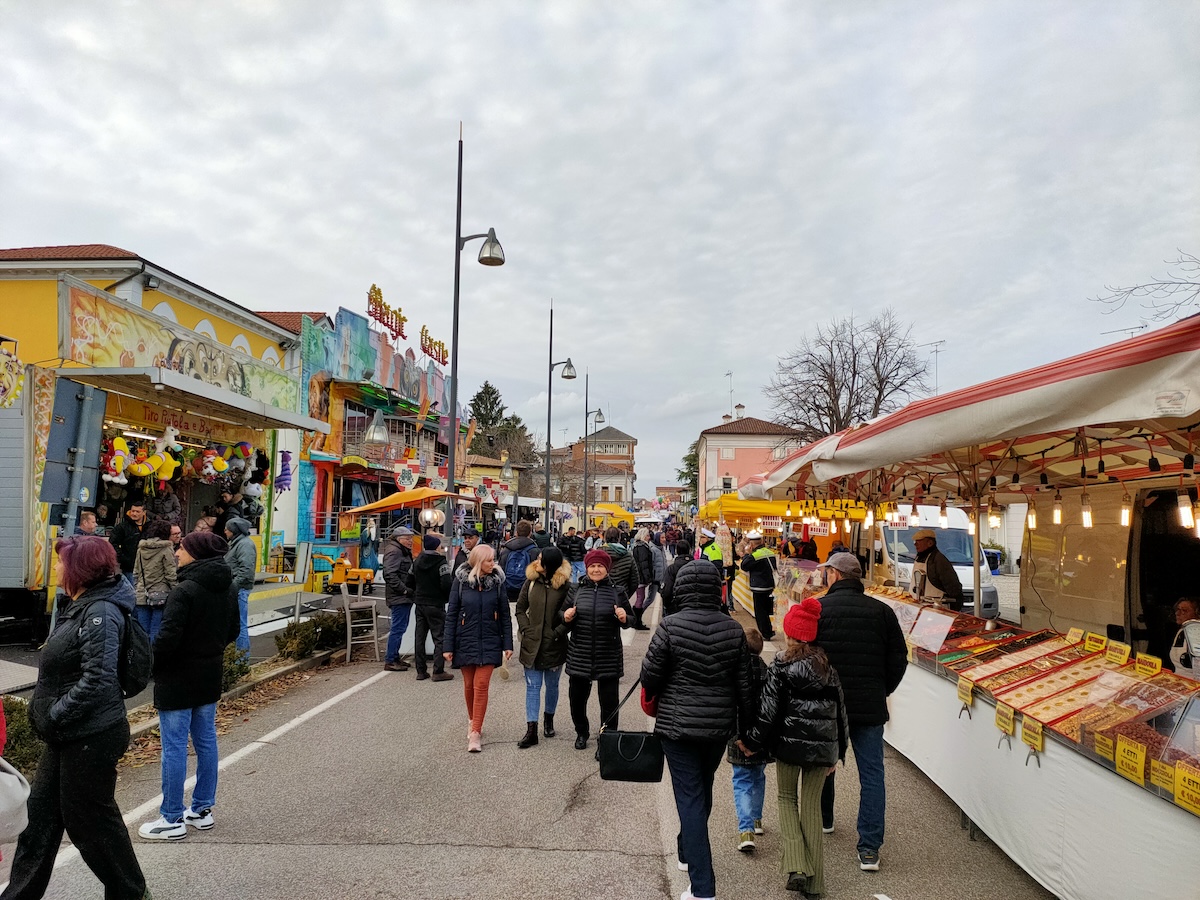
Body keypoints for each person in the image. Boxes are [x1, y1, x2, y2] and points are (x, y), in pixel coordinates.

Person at [5, 537, 149, 900]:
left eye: (60, 564)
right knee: (39, 822)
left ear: (79, 569)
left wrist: (54, 715)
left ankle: (131, 892)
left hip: (92, 734)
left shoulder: (101, 611)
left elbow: (98, 681)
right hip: (70, 734)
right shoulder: (81, 605)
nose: (56, 569)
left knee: (90, 822)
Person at [640, 559, 754, 900]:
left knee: (689, 798)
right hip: (718, 727)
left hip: (677, 727)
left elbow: (650, 677)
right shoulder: (733, 629)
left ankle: (702, 886)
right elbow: (746, 687)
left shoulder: (671, 626)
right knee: (702, 790)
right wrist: (747, 732)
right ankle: (688, 851)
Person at [137, 532, 239, 842]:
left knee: (174, 747)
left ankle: (171, 818)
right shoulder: (229, 586)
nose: (178, 552)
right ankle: (202, 810)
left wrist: (150, 664)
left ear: (195, 553)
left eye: (182, 548)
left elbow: (167, 640)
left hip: (178, 679)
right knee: (206, 740)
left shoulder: (184, 591)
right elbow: (233, 630)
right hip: (209, 674)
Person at [744, 598, 849, 897]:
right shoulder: (828, 667)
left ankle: (797, 866)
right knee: (811, 808)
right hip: (821, 751)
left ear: (789, 634)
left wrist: (752, 742)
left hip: (788, 746)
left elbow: (768, 711)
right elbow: (841, 712)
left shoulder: (780, 665)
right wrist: (838, 753)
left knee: (786, 798)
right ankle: (816, 885)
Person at [813, 553, 907, 873]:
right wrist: (883, 690)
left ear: (836, 576)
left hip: (827, 705)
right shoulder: (882, 612)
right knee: (872, 775)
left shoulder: (819, 610)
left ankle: (825, 819)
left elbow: (807, 657)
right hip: (869, 705)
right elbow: (899, 658)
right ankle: (869, 847)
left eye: (827, 573)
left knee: (824, 762)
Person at [443, 544, 513, 752]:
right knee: (468, 685)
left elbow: (505, 615)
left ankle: (475, 732)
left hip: (491, 640)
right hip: (465, 639)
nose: (494, 563)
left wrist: (507, 643)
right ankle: (473, 718)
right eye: (489, 560)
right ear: (478, 562)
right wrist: (448, 646)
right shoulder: (460, 582)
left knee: (481, 684)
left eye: (493, 559)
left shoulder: (498, 584)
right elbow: (452, 613)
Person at [563, 548, 633, 750]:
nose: (595, 570)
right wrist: (565, 616)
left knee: (609, 702)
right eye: (592, 566)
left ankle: (607, 738)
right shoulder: (576, 590)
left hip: (608, 654)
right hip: (580, 654)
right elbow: (562, 616)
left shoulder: (617, 591)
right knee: (577, 700)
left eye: (600, 566)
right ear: (586, 568)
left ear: (607, 568)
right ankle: (581, 732)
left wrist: (624, 617)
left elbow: (631, 620)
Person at [515, 546, 572, 748]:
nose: (536, 562)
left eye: (540, 560)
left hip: (554, 644)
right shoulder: (530, 582)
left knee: (552, 685)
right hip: (531, 643)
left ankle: (549, 719)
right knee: (533, 687)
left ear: (549, 564)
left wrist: (556, 633)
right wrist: (526, 628)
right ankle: (532, 729)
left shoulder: (566, 587)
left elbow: (570, 617)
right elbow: (520, 609)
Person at [726, 626, 771, 853]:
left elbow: (732, 708)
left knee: (741, 780)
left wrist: (736, 736)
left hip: (739, 736)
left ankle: (746, 830)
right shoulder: (768, 672)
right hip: (761, 737)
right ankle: (756, 819)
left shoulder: (734, 672)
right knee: (758, 776)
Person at [406, 533, 454, 682]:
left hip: (420, 603)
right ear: (437, 546)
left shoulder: (416, 561)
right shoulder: (441, 563)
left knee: (419, 636)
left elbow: (409, 581)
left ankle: (421, 671)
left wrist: (416, 594)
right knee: (439, 637)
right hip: (436, 603)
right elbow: (447, 584)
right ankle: (438, 671)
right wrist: (446, 598)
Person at [133, 518, 176, 643]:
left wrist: (138, 588)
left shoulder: (141, 548)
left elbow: (136, 572)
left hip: (142, 593)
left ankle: (142, 660)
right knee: (156, 631)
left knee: (142, 633)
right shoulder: (166, 549)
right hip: (160, 594)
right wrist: (176, 590)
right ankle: (153, 660)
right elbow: (170, 574)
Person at [382, 526, 416, 671]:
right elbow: (389, 574)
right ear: (399, 539)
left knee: (400, 627)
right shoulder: (394, 551)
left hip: (401, 595)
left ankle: (394, 657)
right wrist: (404, 590)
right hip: (399, 596)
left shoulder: (399, 551)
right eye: (407, 538)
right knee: (398, 628)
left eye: (411, 538)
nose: (410, 541)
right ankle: (390, 659)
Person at [223, 517, 256, 656]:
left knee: (240, 625)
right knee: (235, 625)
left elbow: (246, 571)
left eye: (227, 528)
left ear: (233, 530)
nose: (224, 531)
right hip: (236, 589)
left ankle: (241, 660)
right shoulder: (237, 543)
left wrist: (233, 587)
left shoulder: (244, 545)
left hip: (239, 590)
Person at [910, 528, 964, 611]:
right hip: (918, 605)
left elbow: (954, 589)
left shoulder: (939, 560)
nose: (915, 544)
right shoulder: (919, 557)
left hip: (936, 608)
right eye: (915, 541)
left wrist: (955, 606)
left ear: (930, 543)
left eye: (919, 541)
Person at [740, 530, 778, 641]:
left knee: (760, 611)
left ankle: (766, 633)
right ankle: (769, 630)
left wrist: (747, 554)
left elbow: (744, 566)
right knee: (766, 610)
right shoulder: (769, 552)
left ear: (751, 545)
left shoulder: (754, 555)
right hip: (769, 585)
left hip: (759, 586)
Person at [108, 500, 147, 587]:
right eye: (133, 511)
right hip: (129, 568)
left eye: (137, 511)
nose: (134, 514)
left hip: (147, 567)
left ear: (144, 513)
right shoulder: (122, 527)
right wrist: (123, 558)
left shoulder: (149, 526)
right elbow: (113, 543)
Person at [499, 520, 539, 603]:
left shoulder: (506, 550)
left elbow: (500, 570)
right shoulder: (535, 551)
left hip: (508, 589)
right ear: (530, 533)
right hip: (527, 590)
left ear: (516, 533)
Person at [600, 527, 639, 604]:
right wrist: (626, 595)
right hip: (620, 595)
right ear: (619, 538)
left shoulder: (597, 554)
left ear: (605, 537)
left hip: (600, 595)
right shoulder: (627, 555)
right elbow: (635, 581)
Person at [630, 528, 658, 631]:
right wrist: (648, 577)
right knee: (640, 598)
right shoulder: (642, 547)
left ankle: (636, 620)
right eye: (647, 536)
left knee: (640, 597)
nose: (649, 537)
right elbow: (644, 563)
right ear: (643, 536)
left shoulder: (638, 546)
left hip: (639, 575)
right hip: (641, 577)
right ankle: (637, 621)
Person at [1169, 597, 1200, 680]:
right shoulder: (1182, 631)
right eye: (1178, 609)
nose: (1177, 613)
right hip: (1179, 681)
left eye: (1184, 611)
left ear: (1197, 613)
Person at [660, 540, 693, 617]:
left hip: (676, 606)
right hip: (693, 606)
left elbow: (667, 590)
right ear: (689, 550)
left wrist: (666, 606)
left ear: (676, 551)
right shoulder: (696, 567)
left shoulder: (672, 569)